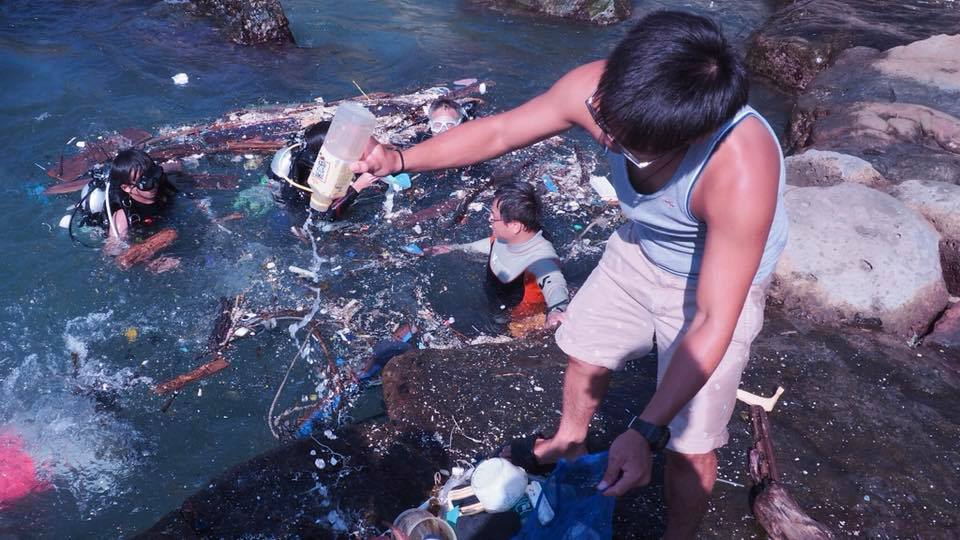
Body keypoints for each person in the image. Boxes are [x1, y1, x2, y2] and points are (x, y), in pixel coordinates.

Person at [352, 10, 787, 538]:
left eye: (625, 141)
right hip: (642, 246)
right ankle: (569, 442)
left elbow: (715, 319)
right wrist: (398, 159)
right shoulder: (603, 92)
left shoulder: (739, 169)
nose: (603, 134)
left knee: (689, 444)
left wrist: (645, 432)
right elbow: (501, 131)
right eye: (605, 117)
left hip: (712, 279)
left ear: (688, 136)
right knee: (586, 351)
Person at [426, 181, 569, 330]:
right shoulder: (507, 234)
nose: (489, 219)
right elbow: (491, 244)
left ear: (515, 226)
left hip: (519, 321)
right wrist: (453, 248)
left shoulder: (540, 258)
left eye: (494, 216)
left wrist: (557, 311)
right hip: (497, 301)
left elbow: (555, 284)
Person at [269, 120, 380, 220]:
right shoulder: (317, 173)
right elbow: (321, 217)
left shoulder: (309, 146)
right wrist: (357, 187)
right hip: (299, 208)